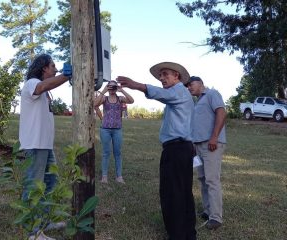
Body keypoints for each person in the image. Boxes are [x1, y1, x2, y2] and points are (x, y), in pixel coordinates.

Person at [117, 62, 196, 240]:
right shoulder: (181, 95)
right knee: (183, 191)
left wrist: (135, 85)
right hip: (182, 149)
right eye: (160, 75)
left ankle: (177, 234)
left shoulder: (178, 91)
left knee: (172, 192)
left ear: (177, 76)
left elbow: (159, 94)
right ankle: (188, 233)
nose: (161, 78)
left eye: (165, 74)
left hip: (176, 150)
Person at [19, 54, 72, 240]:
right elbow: (42, 86)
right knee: (34, 186)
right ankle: (33, 232)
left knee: (50, 183)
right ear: (44, 68)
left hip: (44, 145)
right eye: (53, 66)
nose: (56, 69)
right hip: (34, 144)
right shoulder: (32, 83)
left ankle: (43, 222)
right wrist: (66, 76)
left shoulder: (45, 92)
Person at [185, 76, 226, 230]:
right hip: (198, 146)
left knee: (212, 180)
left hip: (211, 145)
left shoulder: (212, 94)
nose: (189, 87)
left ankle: (216, 217)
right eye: (187, 86)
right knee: (202, 179)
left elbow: (221, 113)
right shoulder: (197, 102)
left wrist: (214, 137)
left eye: (191, 84)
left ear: (201, 83)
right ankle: (208, 210)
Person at [94, 80, 134, 184]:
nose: (112, 89)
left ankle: (119, 177)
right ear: (107, 87)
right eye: (110, 87)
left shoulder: (120, 99)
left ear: (116, 88)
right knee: (106, 153)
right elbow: (94, 104)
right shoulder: (104, 98)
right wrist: (103, 90)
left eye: (113, 87)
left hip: (117, 129)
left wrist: (122, 90)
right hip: (105, 129)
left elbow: (132, 100)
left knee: (118, 153)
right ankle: (104, 177)